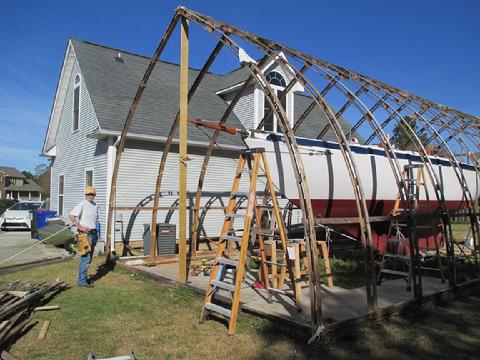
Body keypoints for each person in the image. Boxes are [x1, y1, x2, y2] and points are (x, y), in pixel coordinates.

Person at [69, 186, 99, 288]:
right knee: (85, 258)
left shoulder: (95, 205)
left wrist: (97, 232)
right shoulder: (82, 204)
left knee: (89, 259)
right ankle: (81, 281)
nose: (90, 196)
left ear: (94, 195)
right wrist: (80, 226)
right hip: (84, 235)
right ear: (85, 195)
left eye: (92, 194)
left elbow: (95, 220)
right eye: (88, 194)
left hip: (93, 233)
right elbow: (72, 215)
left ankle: (83, 279)